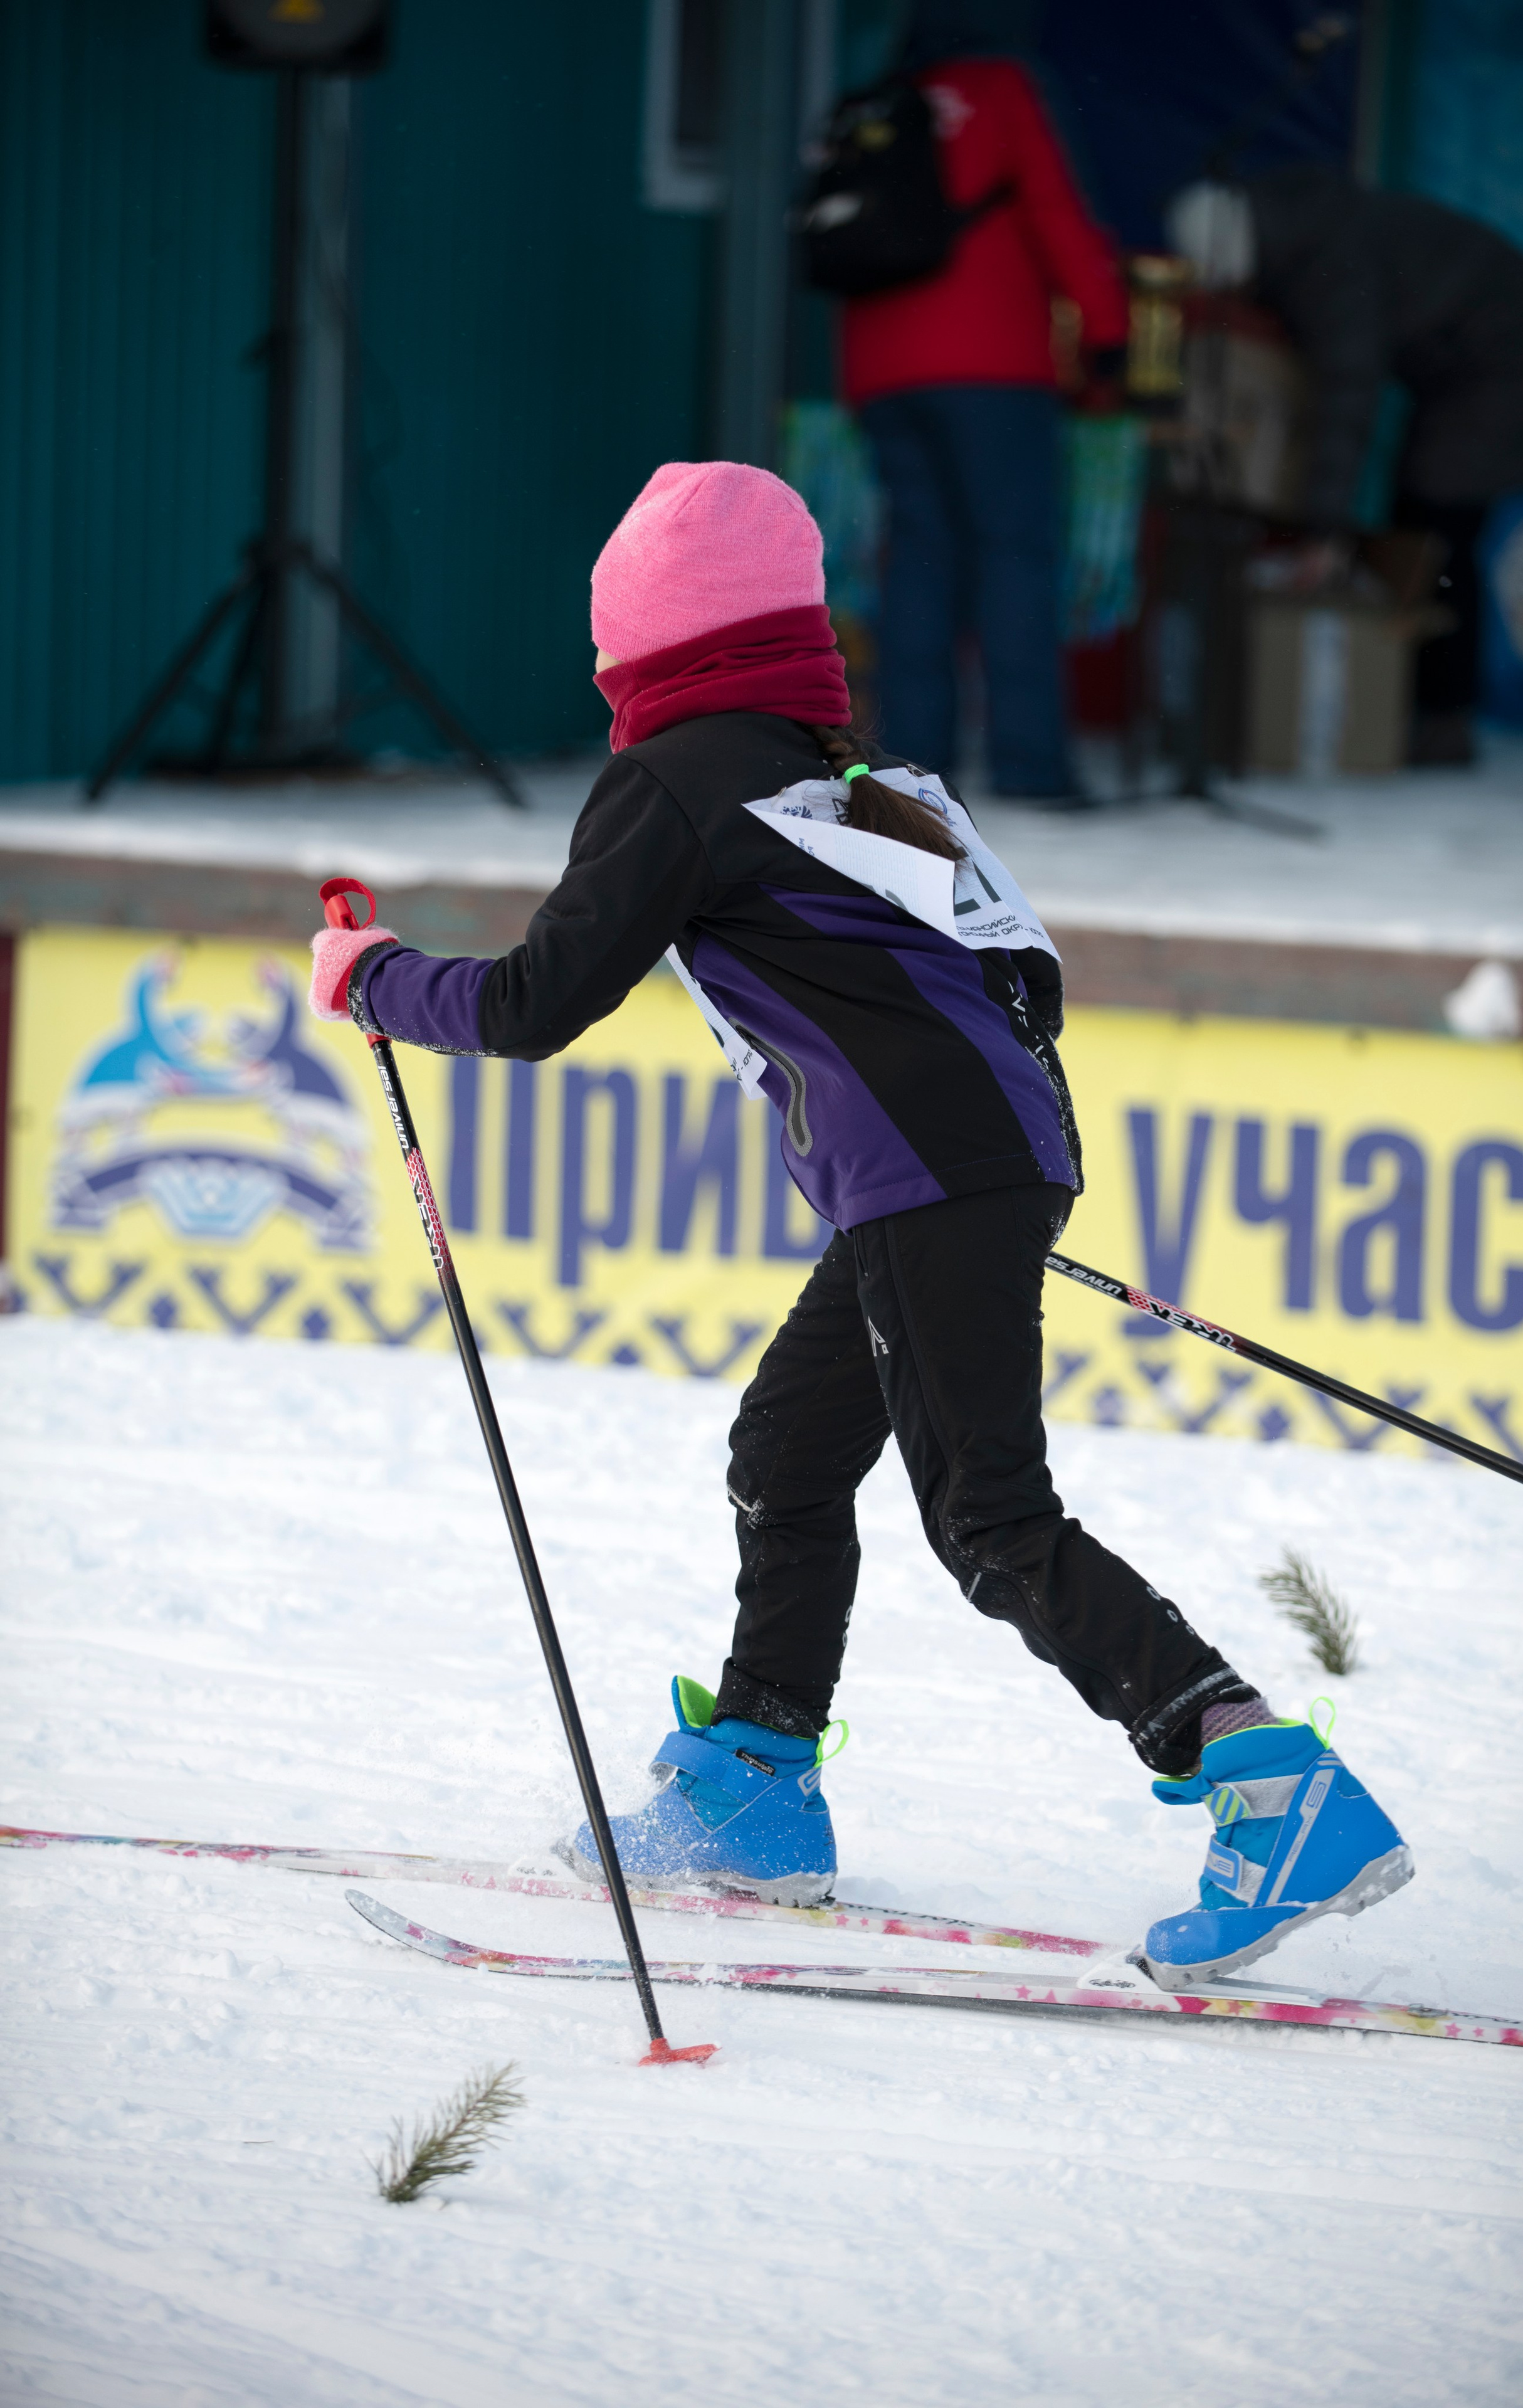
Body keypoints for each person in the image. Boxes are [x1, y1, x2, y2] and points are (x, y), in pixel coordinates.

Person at [308, 459, 1411, 1989]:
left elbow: (532, 1001)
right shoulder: (867, 781)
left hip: (930, 1179)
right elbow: (1026, 984)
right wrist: (959, 1152)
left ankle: (1267, 1778)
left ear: (649, 648)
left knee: (985, 1514)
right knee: (787, 1448)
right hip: (977, 1161)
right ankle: (756, 1780)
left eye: (607, 642)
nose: (600, 670)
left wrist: (367, 975)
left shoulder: (676, 779)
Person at [1167, 168, 1523, 764]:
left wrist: (1323, 533)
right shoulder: (1300, 222)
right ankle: (1415, 711)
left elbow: (1347, 402)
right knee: (1422, 527)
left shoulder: (1330, 269)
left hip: (1510, 368)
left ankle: (1441, 724)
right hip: (1474, 363)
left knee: (1435, 539)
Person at [840, 24, 1128, 804]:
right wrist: (1105, 328)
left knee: (919, 562)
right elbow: (1053, 207)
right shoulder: (1001, 89)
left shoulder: (876, 98)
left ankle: (909, 772)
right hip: (992, 363)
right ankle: (1030, 765)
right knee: (1015, 558)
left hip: (882, 365)